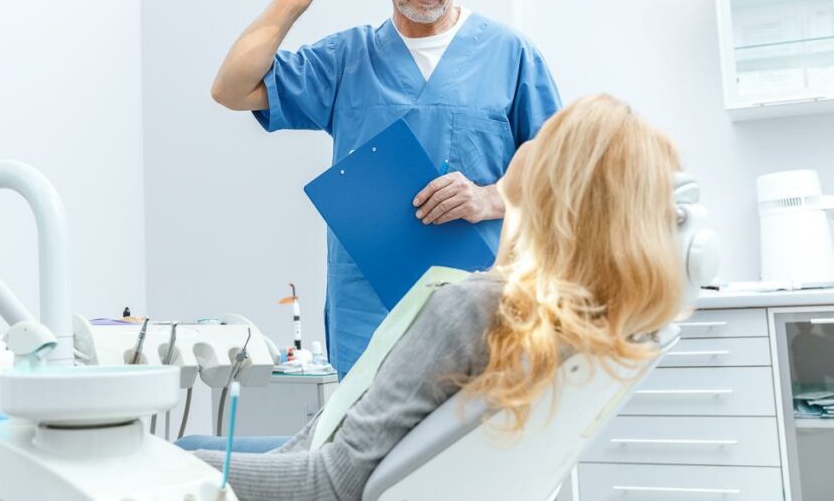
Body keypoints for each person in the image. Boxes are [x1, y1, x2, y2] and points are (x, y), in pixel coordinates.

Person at [179, 94, 690, 501]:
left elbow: (329, 485)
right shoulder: (586, 318)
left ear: (553, 188)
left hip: (320, 478)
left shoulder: (469, 309)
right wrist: (509, 206)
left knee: (172, 452)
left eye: (544, 142)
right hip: (345, 464)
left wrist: (140, 464)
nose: (526, 145)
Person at [211, 0, 561, 376]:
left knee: (469, 444)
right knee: (364, 450)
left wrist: (491, 197)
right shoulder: (347, 60)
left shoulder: (510, 55)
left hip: (479, 306)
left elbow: (563, 174)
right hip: (369, 314)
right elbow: (231, 88)